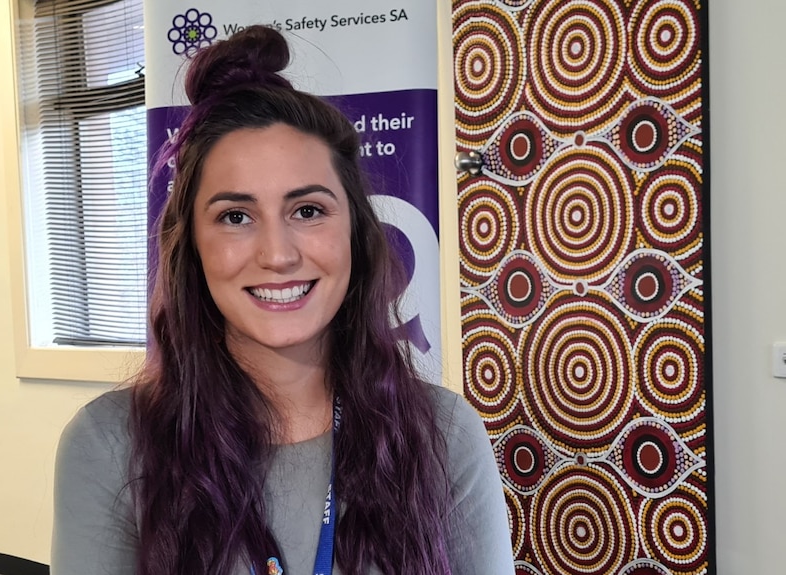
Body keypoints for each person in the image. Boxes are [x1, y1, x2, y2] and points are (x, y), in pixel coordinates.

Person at [51, 25, 514, 575]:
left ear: (355, 233)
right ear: (192, 246)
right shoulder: (111, 447)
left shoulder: (443, 436)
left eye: (308, 210)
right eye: (235, 217)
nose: (277, 254)